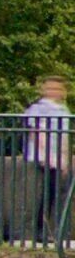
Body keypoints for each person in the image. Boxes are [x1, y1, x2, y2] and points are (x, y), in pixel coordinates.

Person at [27, 77, 73, 242]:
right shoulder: (38, 108)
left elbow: (66, 136)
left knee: (55, 192)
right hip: (43, 155)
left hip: (58, 155)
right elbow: (35, 132)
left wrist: (65, 157)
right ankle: (40, 230)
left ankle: (50, 229)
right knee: (47, 192)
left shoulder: (63, 110)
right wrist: (47, 154)